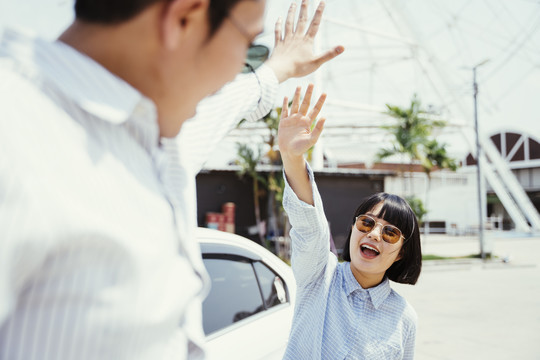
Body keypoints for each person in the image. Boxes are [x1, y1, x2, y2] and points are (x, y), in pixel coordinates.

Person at [0, 1, 343, 360]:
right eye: (248, 44)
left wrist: (279, 68)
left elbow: (233, 101)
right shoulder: (14, 143)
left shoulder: (153, 131)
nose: (236, 72)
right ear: (184, 17)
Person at [277, 85, 422, 359]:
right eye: (367, 223)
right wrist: (292, 159)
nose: (375, 234)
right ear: (354, 228)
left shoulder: (404, 319)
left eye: (390, 233)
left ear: (402, 251)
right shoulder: (320, 275)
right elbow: (309, 226)